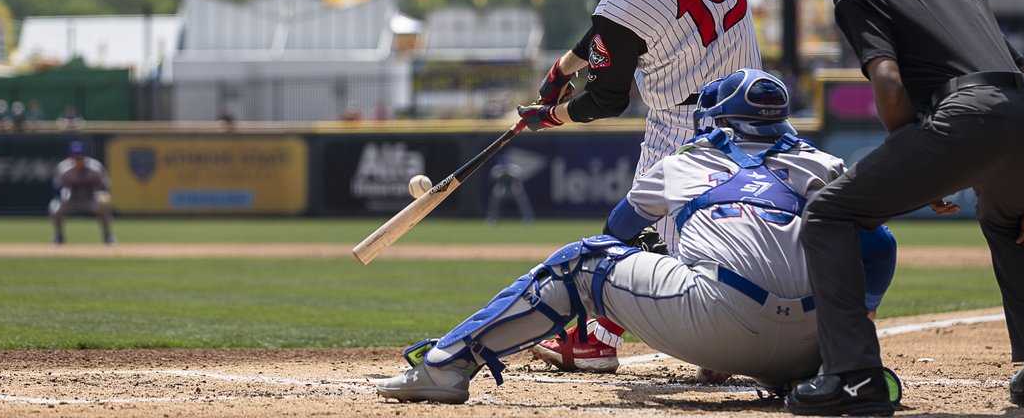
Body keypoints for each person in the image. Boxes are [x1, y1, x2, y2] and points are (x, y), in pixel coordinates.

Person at [376, 69, 897, 405]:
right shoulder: (824, 165)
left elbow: (616, 234)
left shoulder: (689, 160)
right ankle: (813, 371)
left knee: (579, 263)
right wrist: (857, 317)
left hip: (716, 322)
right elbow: (881, 246)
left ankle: (446, 366)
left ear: (719, 121)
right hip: (813, 347)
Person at [788, 0, 1024, 416]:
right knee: (1012, 224)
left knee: (828, 213)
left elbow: (889, 85)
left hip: (966, 118)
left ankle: (855, 377)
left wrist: (917, 162)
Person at [518, 0, 761, 370]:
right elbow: (627, 28)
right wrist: (565, 67)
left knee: (632, 234)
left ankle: (597, 341)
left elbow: (607, 98)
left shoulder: (621, 2)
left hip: (685, 123)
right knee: (739, 229)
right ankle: (720, 341)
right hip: (755, 106)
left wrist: (554, 115)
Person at [49, 140, 115, 245]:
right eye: (74, 156)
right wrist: (61, 197)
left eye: (79, 156)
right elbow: (56, 188)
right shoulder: (64, 169)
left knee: (104, 206)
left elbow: (105, 184)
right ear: (70, 156)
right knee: (54, 208)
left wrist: (102, 195)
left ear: (84, 156)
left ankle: (108, 236)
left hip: (90, 198)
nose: (77, 159)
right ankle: (59, 236)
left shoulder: (95, 167)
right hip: (71, 200)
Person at [485, 161, 534, 225]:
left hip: (513, 188)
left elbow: (521, 178)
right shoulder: (497, 168)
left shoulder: (514, 168)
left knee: (521, 198)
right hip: (503, 189)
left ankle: (528, 219)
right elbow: (491, 179)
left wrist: (510, 174)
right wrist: (501, 174)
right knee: (495, 195)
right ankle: (492, 219)